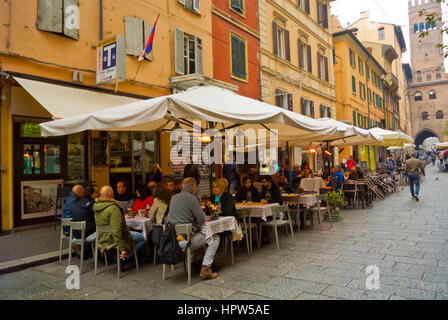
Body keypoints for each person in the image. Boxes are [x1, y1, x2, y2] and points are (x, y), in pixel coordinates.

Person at [168, 178, 220, 279]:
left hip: (174, 238)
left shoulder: (173, 198)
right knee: (215, 237)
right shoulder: (192, 199)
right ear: (193, 187)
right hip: (186, 240)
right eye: (196, 186)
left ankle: (190, 265)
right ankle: (206, 268)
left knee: (194, 234)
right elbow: (202, 219)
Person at [94, 186, 147, 268]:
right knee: (143, 237)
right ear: (111, 194)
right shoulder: (113, 208)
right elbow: (117, 231)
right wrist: (123, 248)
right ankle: (126, 256)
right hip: (113, 238)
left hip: (102, 238)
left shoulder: (96, 207)